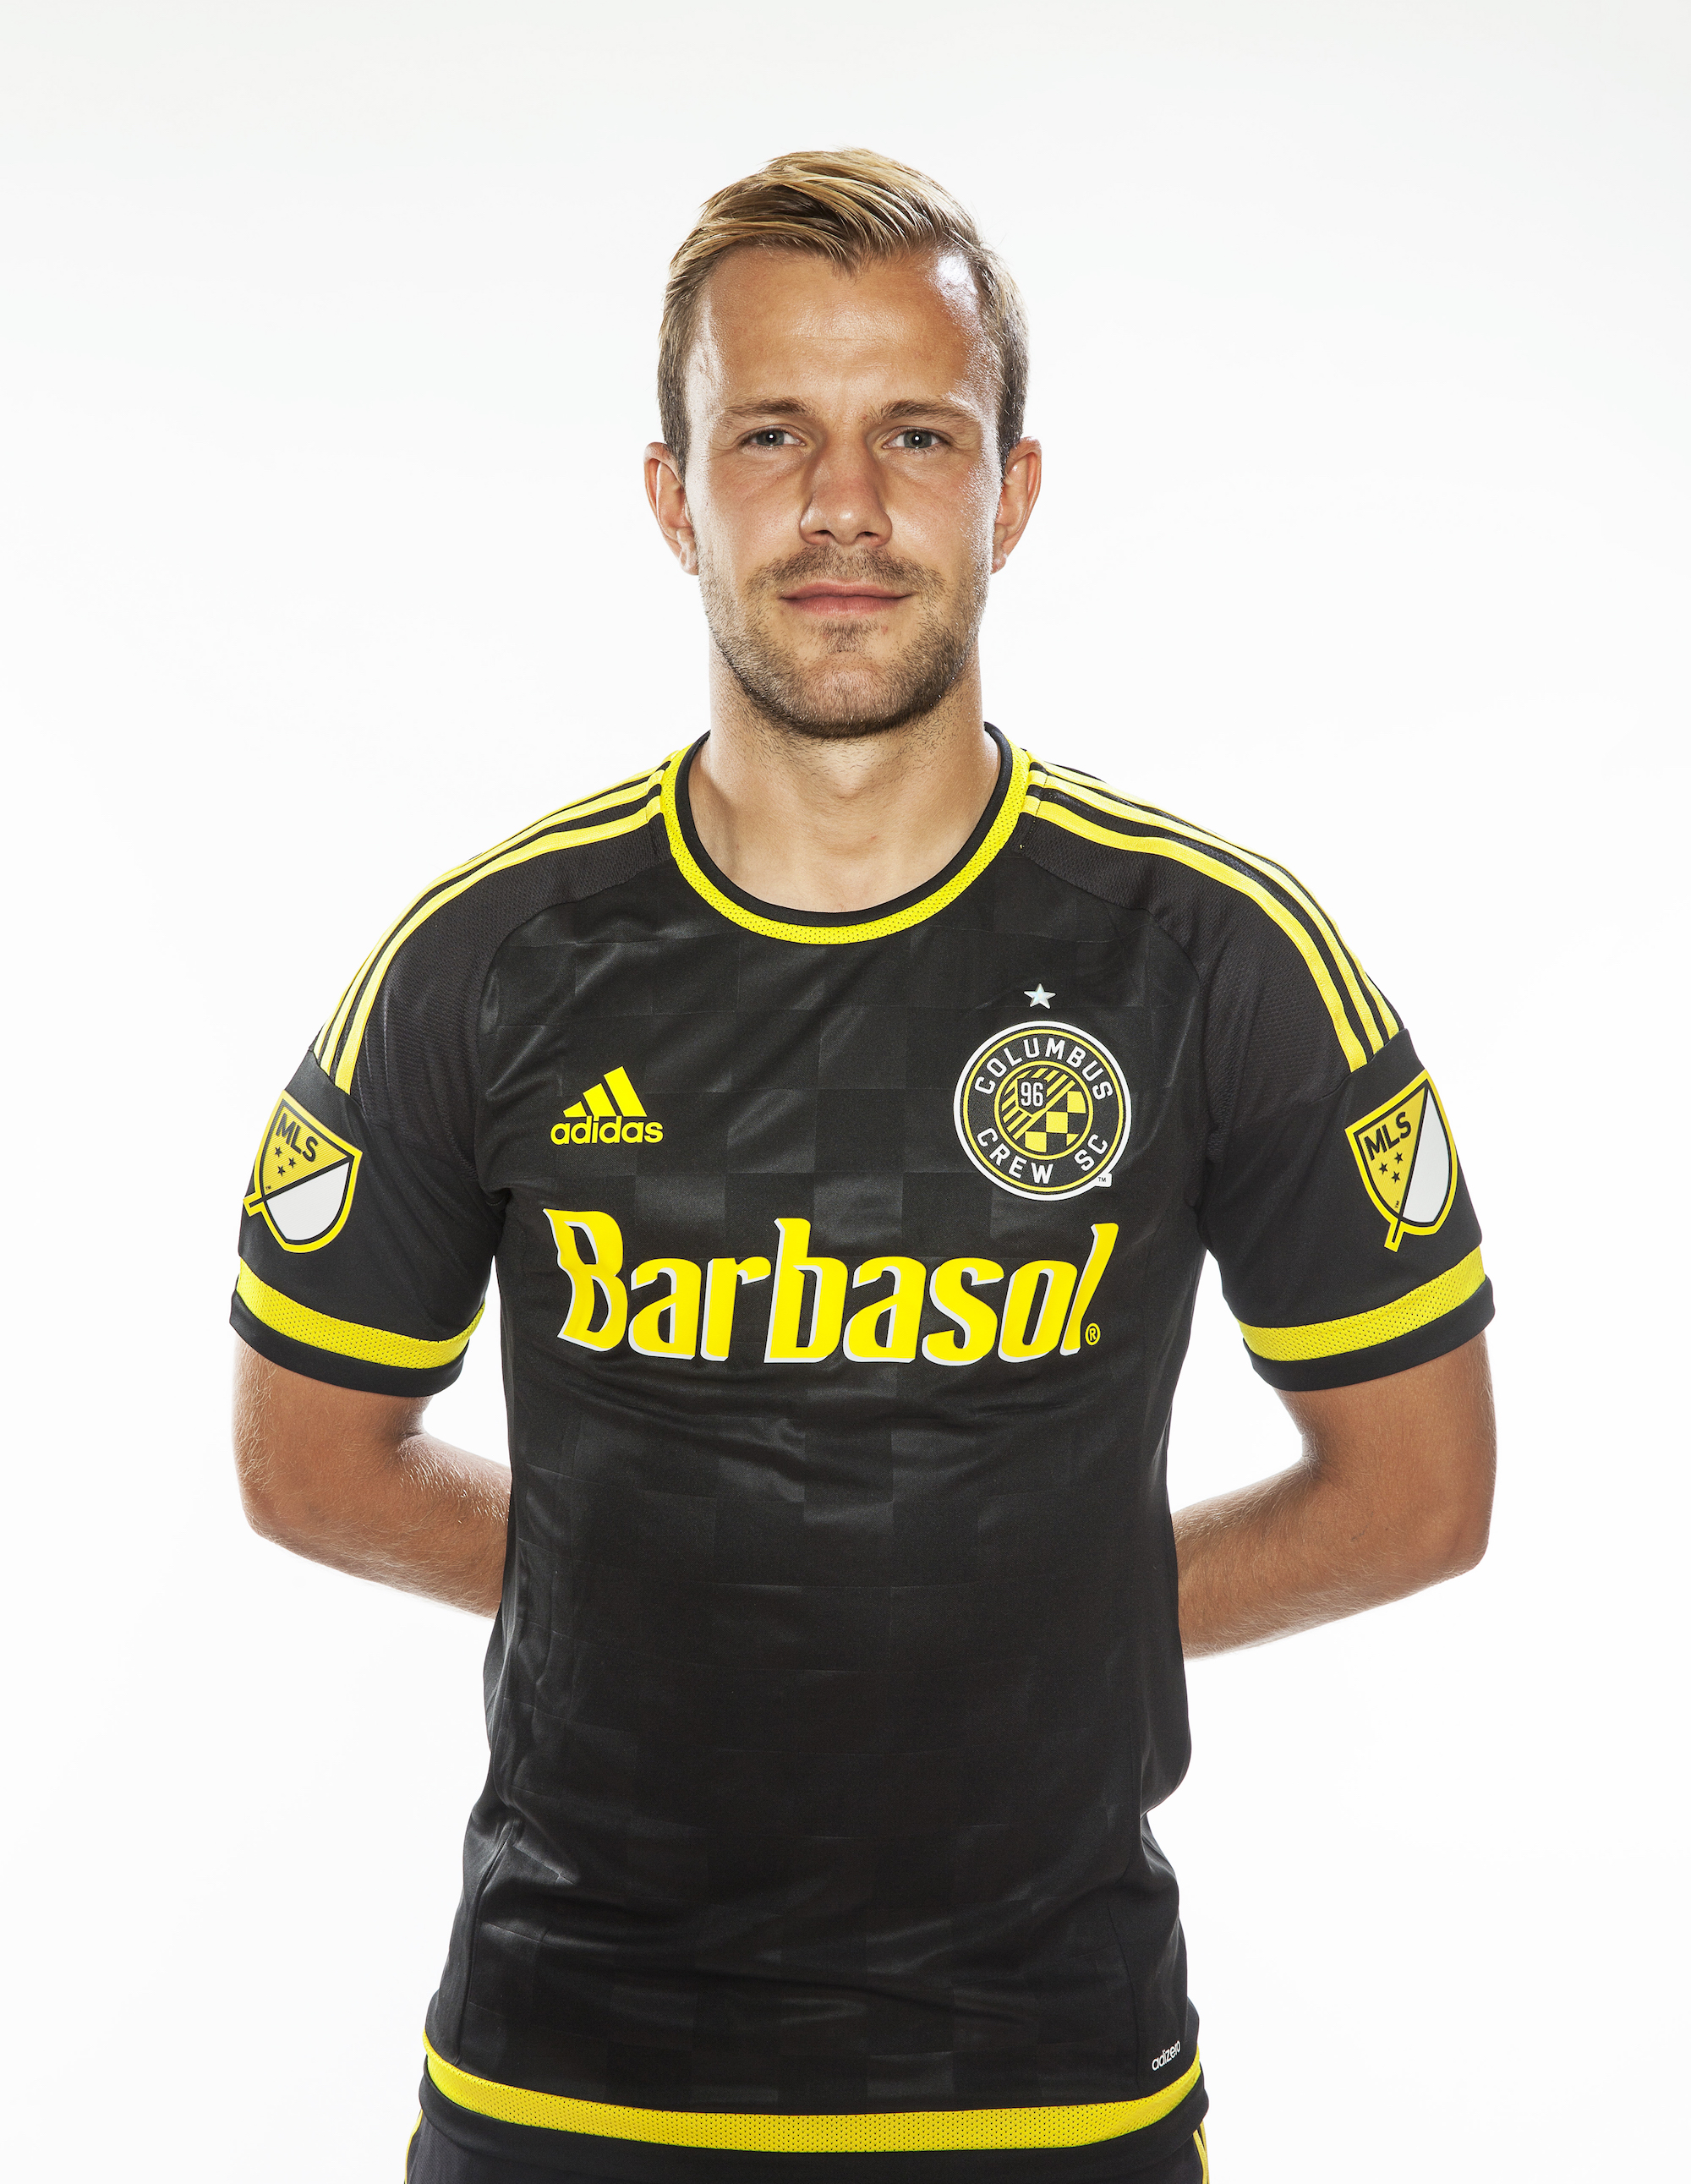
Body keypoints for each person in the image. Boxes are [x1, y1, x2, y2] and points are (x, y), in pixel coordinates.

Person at [232, 150, 1495, 2184]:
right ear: (676, 497)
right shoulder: (491, 959)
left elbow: (1418, 1493)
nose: (844, 505)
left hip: (1054, 2080)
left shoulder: (1211, 958)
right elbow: (307, 1460)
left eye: (915, 433)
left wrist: (1021, 1619)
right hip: (566, 2078)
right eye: (771, 435)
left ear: (1009, 491)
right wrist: (669, 1605)